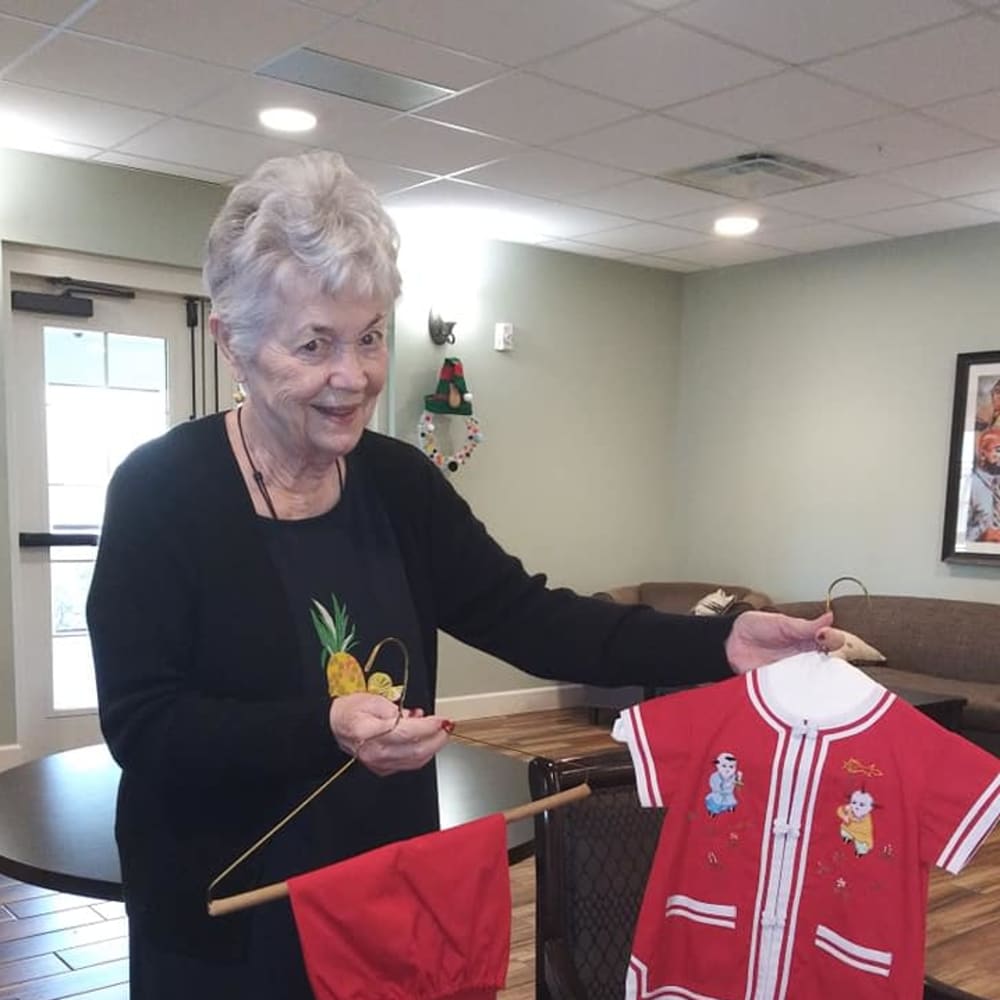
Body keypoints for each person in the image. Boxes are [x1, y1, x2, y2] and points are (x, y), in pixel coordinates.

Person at [86, 150, 832, 998]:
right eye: (314, 344)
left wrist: (721, 641)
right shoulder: (160, 492)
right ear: (233, 344)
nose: (353, 376)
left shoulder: (400, 482)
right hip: (227, 906)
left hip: (379, 889)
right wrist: (325, 724)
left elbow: (529, 615)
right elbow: (145, 726)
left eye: (370, 337)